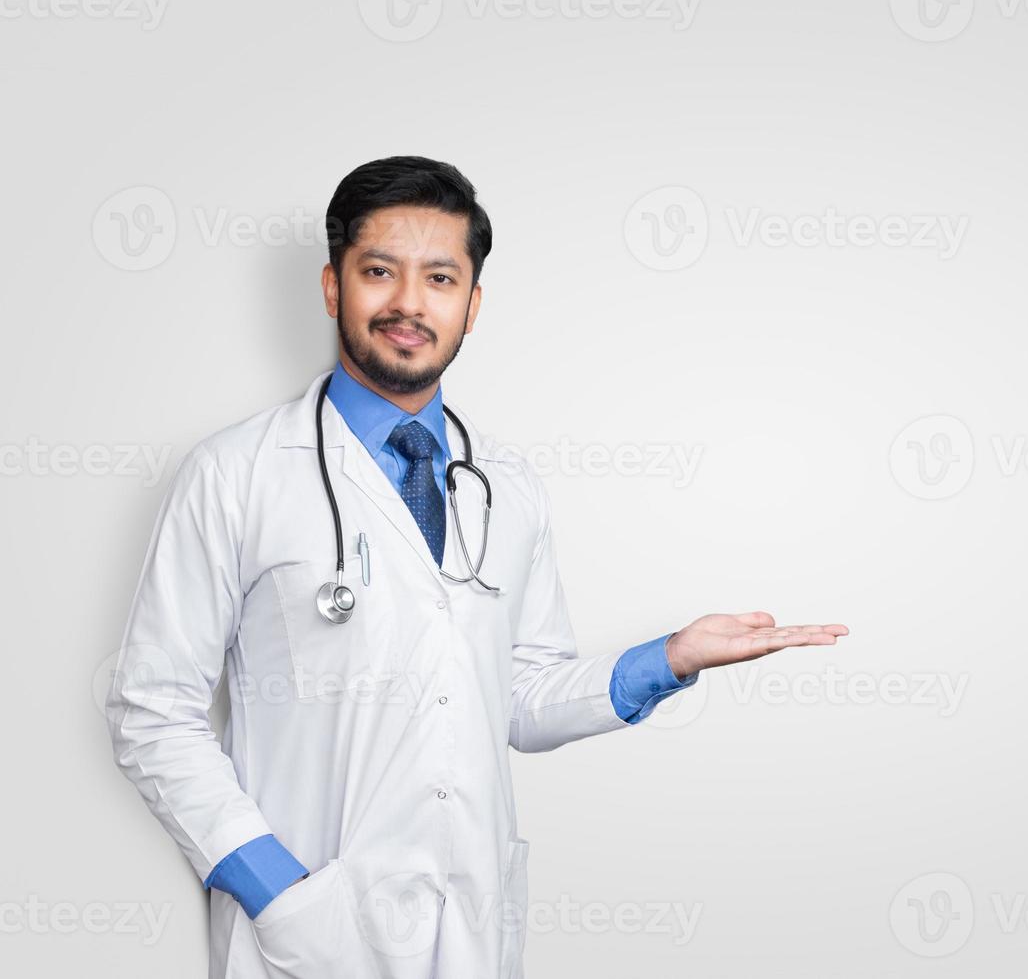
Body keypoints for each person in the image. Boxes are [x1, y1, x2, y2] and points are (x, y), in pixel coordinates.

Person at [104, 156, 849, 979]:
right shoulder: (236, 473)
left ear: (473, 305)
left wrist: (667, 660)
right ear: (331, 287)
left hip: (472, 931)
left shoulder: (507, 486)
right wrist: (275, 887)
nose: (409, 305)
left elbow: (520, 700)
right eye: (379, 272)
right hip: (308, 937)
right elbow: (152, 710)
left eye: (440, 278)